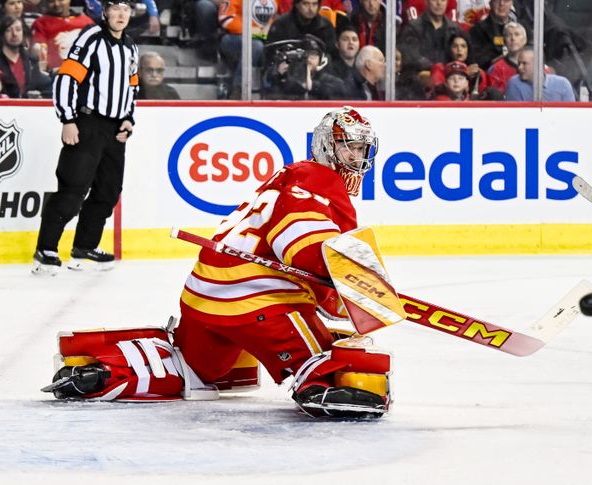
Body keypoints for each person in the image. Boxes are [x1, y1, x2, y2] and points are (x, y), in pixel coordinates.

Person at [45, 106, 394, 419]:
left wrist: (338, 293)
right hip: (253, 302)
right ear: (325, 147)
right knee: (325, 362)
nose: (357, 156)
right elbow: (302, 245)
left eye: (363, 149)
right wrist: (346, 282)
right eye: (349, 146)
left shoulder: (286, 178)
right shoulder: (318, 182)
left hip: (202, 297)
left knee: (197, 370)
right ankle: (321, 382)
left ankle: (103, 372)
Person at [32, 0, 138, 274]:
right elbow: (66, 78)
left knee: (108, 190)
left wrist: (128, 118)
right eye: (116, 8)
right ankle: (46, 249)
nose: (121, 14)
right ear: (105, 12)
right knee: (73, 189)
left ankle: (84, 246)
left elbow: (131, 86)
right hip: (88, 123)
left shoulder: (130, 46)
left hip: (115, 130)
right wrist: (68, 119)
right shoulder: (90, 38)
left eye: (126, 9)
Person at [0, 15, 52, 98]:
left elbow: (43, 85)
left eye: (18, 30)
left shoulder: (31, 60)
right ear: (2, 34)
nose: (14, 34)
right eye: (9, 30)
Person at [219, 0, 277, 99]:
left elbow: (286, 15)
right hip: (234, 38)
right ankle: (239, 89)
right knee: (255, 46)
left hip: (266, 38)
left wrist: (272, 29)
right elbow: (226, 19)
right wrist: (255, 32)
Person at [399, 0, 463, 75]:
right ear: (426, 2)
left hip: (450, 78)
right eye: (434, 0)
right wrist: (434, 69)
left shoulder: (454, 29)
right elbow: (411, 56)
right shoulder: (413, 27)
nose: (439, 3)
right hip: (420, 77)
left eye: (443, 0)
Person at [31, 0, 94, 75]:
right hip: (57, 73)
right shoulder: (41, 23)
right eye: (51, 1)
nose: (56, 4)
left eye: (60, 0)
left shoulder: (86, 21)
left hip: (88, 70)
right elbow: (40, 51)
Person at [505, 46, 576, 101]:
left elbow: (570, 115)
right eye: (519, 63)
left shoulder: (562, 84)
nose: (519, 67)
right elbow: (517, 116)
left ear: (538, 64)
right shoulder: (514, 83)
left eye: (524, 63)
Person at [486, 21, 527, 93]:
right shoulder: (496, 69)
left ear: (525, 40)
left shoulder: (536, 65)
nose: (513, 38)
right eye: (508, 35)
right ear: (504, 41)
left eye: (517, 34)